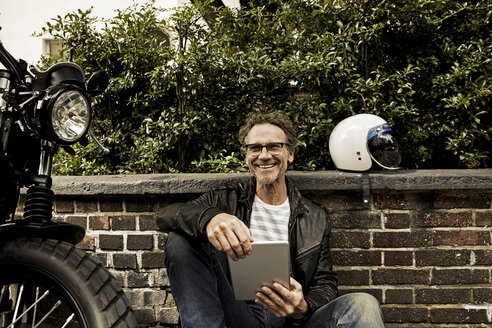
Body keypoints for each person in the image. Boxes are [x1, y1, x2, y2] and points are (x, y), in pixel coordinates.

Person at [157, 111, 385, 328]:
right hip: (237, 312)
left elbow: (324, 283)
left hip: (290, 319)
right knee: (179, 240)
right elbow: (165, 216)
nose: (264, 155)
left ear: (290, 153)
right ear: (246, 155)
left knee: (363, 304)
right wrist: (211, 218)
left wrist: (303, 307)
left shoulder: (315, 216)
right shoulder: (223, 200)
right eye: (255, 148)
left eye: (274, 146)